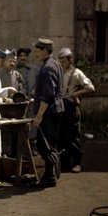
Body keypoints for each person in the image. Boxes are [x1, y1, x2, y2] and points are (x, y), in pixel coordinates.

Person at [31, 38, 64, 188]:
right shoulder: (55, 64)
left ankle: (50, 176)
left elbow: (48, 94)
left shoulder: (47, 67)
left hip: (49, 112)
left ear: (45, 51)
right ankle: (49, 174)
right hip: (54, 110)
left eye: (37, 51)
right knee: (49, 143)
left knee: (45, 144)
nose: (35, 53)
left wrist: (39, 115)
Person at [58, 47, 95, 173]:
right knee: (61, 136)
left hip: (71, 107)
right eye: (60, 61)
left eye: (64, 61)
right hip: (61, 106)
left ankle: (77, 162)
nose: (62, 63)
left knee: (73, 136)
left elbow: (90, 88)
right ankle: (65, 164)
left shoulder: (77, 73)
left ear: (70, 60)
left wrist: (76, 94)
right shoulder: (60, 72)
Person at [0, 48, 25, 157]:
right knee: (5, 135)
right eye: (10, 61)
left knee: (16, 135)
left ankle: (15, 158)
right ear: (4, 61)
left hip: (15, 109)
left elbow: (20, 90)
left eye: (14, 61)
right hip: (2, 109)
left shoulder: (17, 75)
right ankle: (5, 157)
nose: (12, 63)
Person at [16, 47, 40, 155]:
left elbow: (39, 82)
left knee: (33, 123)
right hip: (20, 101)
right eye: (20, 56)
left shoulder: (34, 69)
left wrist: (35, 92)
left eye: (24, 56)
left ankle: (34, 145)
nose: (22, 58)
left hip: (32, 100)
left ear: (27, 57)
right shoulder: (15, 70)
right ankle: (23, 148)